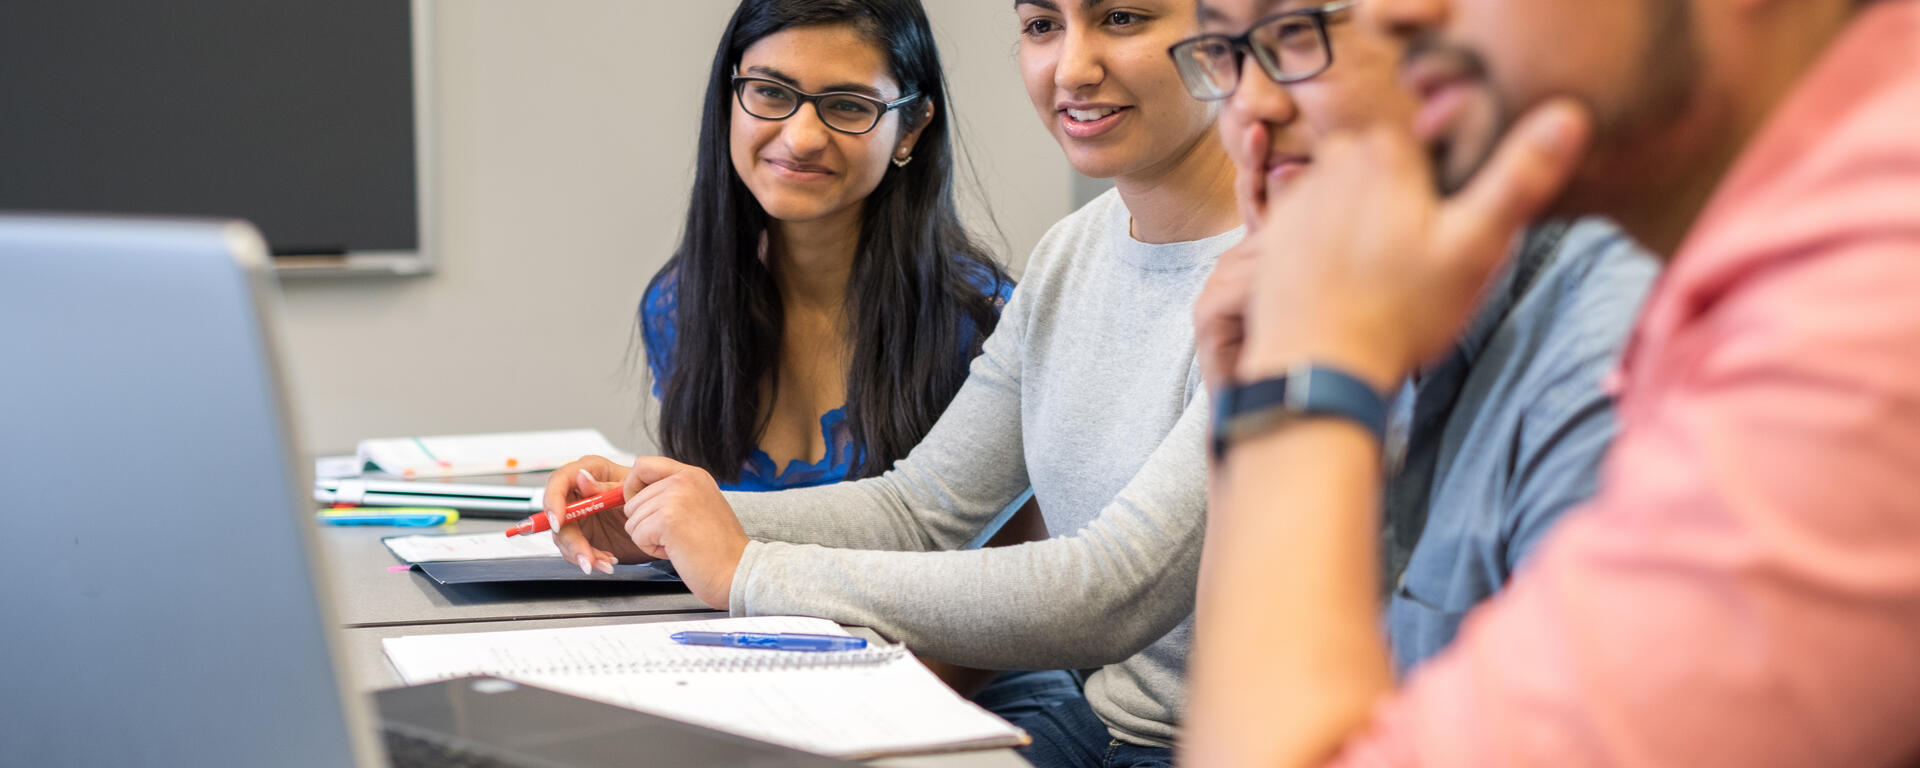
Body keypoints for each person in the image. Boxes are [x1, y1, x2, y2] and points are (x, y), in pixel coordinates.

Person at [1184, 0, 1920, 764]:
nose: (1396, 11)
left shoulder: (1877, 294)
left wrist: (1304, 377)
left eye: (1296, 28)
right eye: (1225, 51)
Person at [545, 0, 1241, 762]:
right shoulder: (1073, 251)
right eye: (1042, 24)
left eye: (1123, 17)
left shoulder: (1293, 272)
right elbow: (924, 509)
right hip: (1108, 728)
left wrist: (749, 568)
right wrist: (666, 517)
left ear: (1232, 30)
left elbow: (1114, 591)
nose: (1071, 68)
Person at [1181, 0, 1655, 673]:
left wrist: (1300, 391)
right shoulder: (1353, 289)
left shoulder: (1608, 347)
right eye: (1222, 53)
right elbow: (1241, 690)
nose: (1252, 105)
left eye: (1292, 32)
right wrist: (1255, 395)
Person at [631, 0, 1065, 720]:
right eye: (770, 92)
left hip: (965, 697)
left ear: (912, 127)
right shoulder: (682, 304)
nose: (800, 137)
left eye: (847, 105)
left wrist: (849, 717)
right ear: (730, 98)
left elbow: (1011, 602)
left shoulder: (986, 322)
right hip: (769, 688)